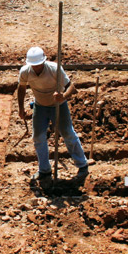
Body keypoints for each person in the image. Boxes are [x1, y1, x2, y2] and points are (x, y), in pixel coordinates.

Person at [17, 46, 89, 183]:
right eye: (33, 65)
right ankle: (44, 170)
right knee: (38, 137)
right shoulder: (25, 71)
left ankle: (82, 165)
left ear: (44, 61)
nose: (36, 68)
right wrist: (20, 108)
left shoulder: (54, 69)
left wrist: (63, 96)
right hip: (40, 106)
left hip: (58, 106)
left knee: (68, 133)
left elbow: (71, 87)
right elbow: (21, 88)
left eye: (38, 65)